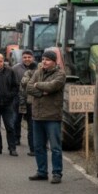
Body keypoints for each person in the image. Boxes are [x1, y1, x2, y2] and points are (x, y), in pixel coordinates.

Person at [26, 50, 66, 183]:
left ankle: (57, 173)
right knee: (38, 147)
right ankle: (42, 172)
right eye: (43, 59)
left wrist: (38, 85)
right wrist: (41, 92)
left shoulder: (60, 74)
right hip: (37, 116)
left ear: (54, 62)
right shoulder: (38, 72)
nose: (44, 62)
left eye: (47, 60)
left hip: (52, 117)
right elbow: (28, 88)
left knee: (55, 147)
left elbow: (53, 86)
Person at [0, 53, 19, 156]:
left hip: (7, 104)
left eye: (0, 61)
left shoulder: (10, 71)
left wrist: (10, 96)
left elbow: (15, 87)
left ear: (3, 61)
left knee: (10, 126)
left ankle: (12, 148)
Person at [12, 49, 37, 155]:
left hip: (33, 98)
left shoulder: (38, 68)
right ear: (22, 58)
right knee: (16, 120)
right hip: (18, 97)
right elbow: (12, 83)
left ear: (33, 58)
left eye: (29, 57)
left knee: (32, 123)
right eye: (25, 57)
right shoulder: (15, 68)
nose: (27, 59)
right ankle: (16, 138)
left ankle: (33, 146)